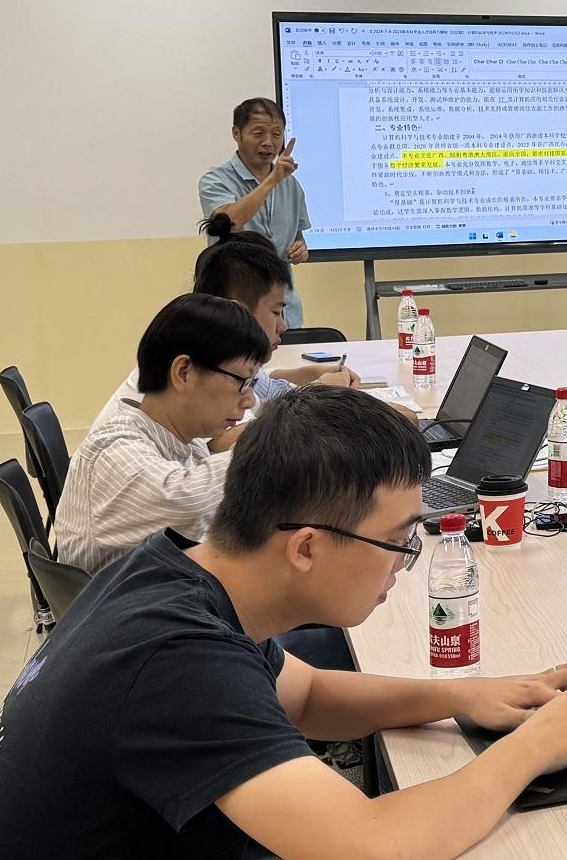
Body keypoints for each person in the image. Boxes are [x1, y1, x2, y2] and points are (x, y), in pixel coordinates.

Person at [0, 387, 567, 860]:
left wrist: (465, 697)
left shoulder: (167, 574)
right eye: (397, 542)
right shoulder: (177, 662)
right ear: (306, 547)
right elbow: (369, 858)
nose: (404, 564)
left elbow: (309, 697)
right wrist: (532, 748)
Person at [56, 293, 270, 574]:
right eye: (243, 381)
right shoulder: (112, 450)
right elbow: (189, 503)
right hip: (124, 600)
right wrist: (274, 442)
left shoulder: (184, 440)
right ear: (183, 372)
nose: (250, 400)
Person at [94, 218, 354, 430]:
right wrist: (317, 395)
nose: (283, 326)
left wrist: (312, 376)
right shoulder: (201, 373)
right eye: (276, 311)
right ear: (237, 310)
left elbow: (262, 386)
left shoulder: (212, 351)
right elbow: (236, 443)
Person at [200, 97, 311, 328]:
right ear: (237, 133)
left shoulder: (292, 186)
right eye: (259, 133)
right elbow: (229, 222)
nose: (268, 143)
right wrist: (272, 180)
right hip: (236, 308)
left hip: (285, 311)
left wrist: (301, 249)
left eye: (277, 134)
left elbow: (297, 237)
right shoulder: (215, 180)